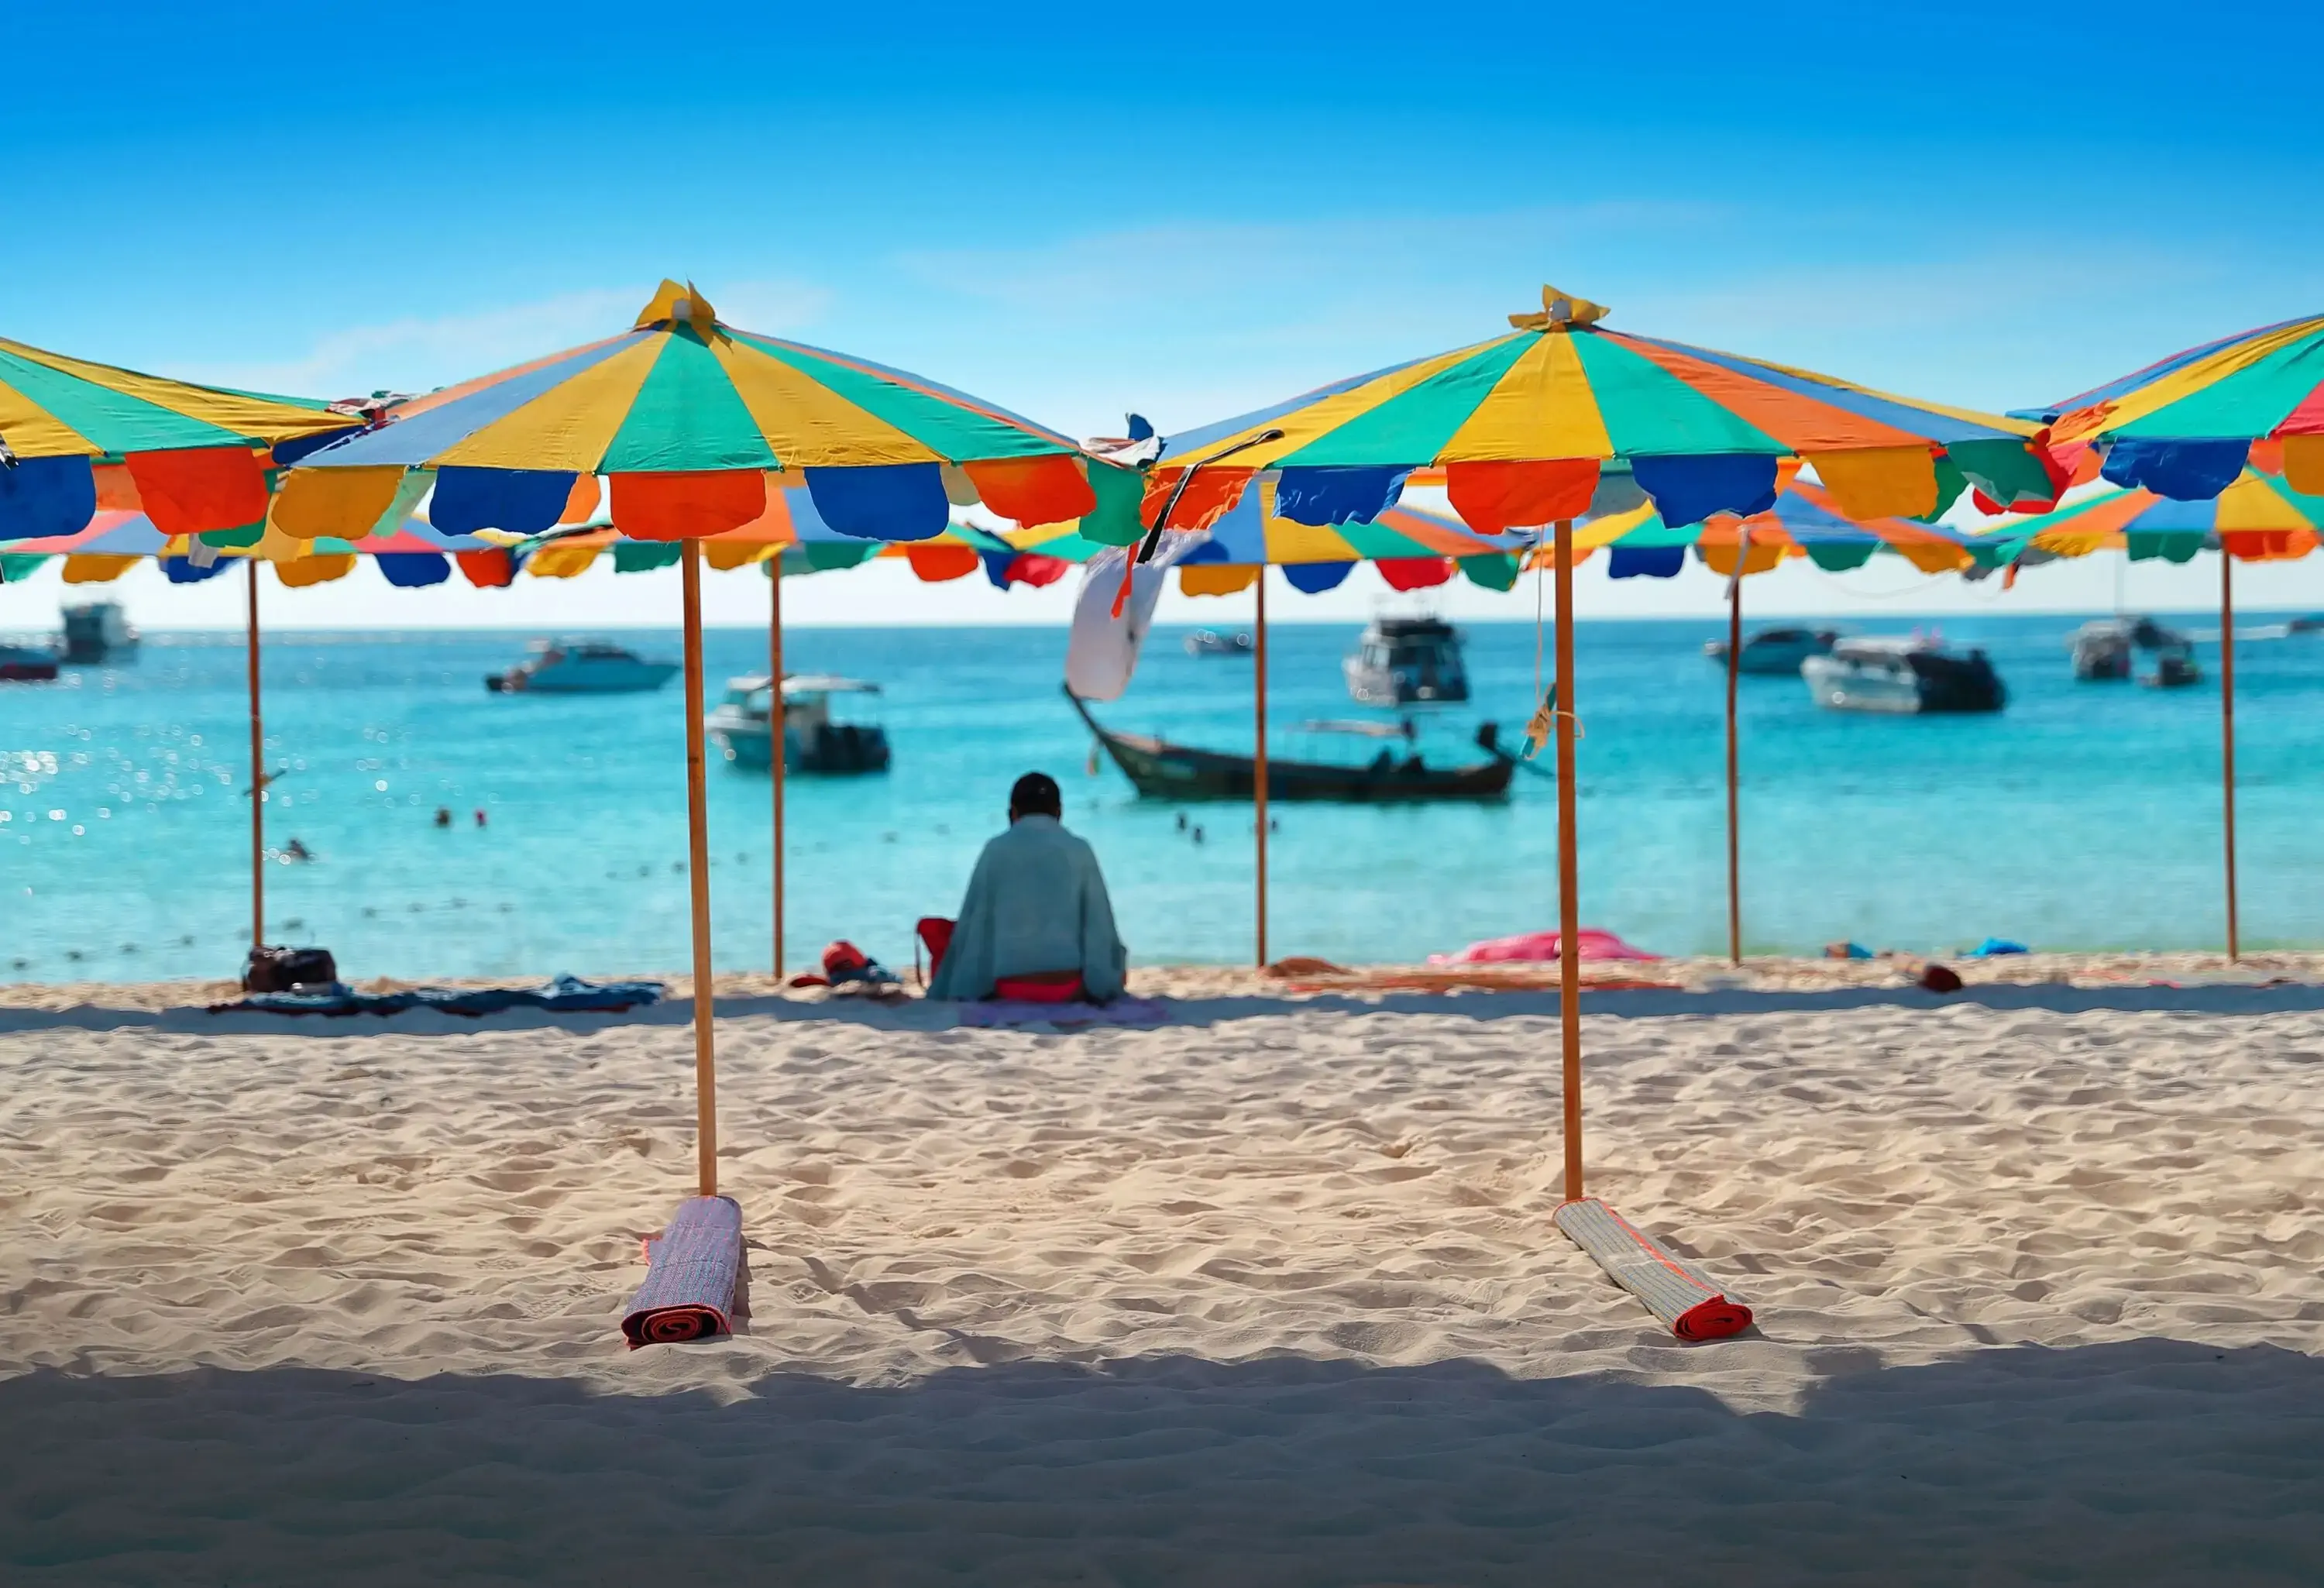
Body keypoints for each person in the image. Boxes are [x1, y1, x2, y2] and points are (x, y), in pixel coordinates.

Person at [925, 772, 1127, 1002]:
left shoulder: (996, 849)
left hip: (1009, 988)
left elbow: (974, 927)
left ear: (1012, 813)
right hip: (1068, 987)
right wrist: (1105, 982)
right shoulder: (1079, 849)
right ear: (1059, 812)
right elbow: (1099, 925)